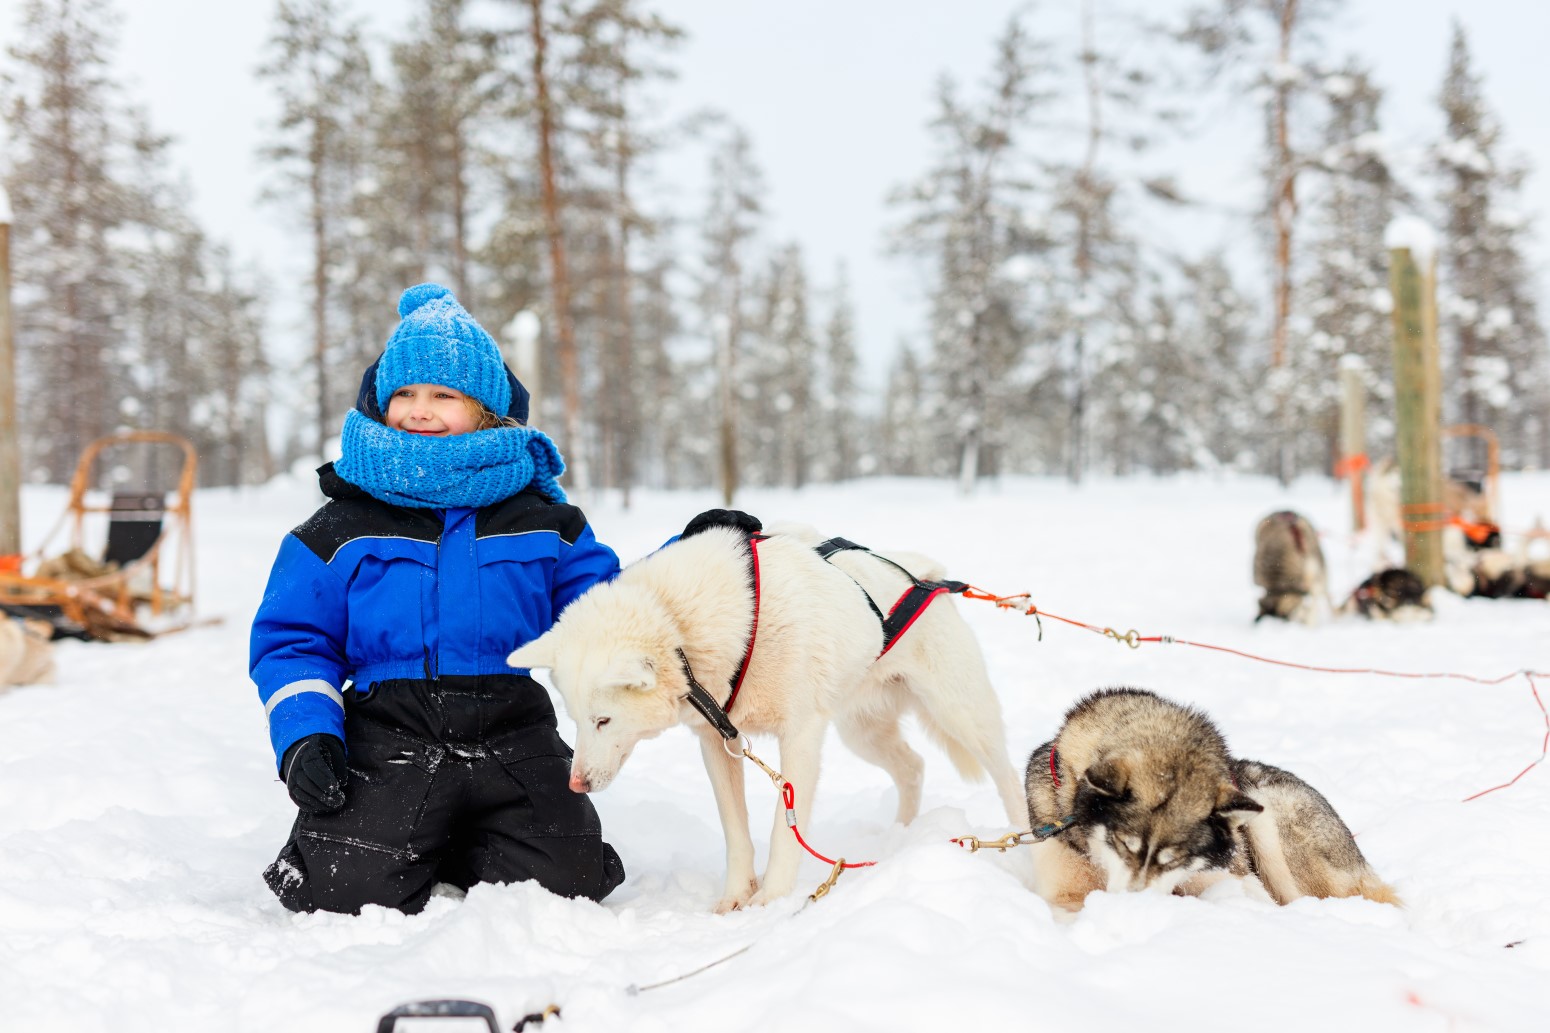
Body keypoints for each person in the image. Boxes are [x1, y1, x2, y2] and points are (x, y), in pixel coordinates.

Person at [251, 282, 625, 915]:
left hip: (512, 727)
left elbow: (610, 608)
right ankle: (417, 833)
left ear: (485, 409)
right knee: (342, 890)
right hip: (388, 730)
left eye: (443, 395)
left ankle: (463, 835)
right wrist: (305, 734)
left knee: (569, 884)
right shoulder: (338, 526)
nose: (419, 409)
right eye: (404, 393)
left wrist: (687, 557)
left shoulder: (544, 520)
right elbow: (293, 641)